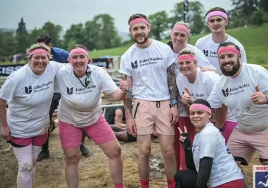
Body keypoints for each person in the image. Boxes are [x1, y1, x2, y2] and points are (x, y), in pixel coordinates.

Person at [55, 44, 126, 188]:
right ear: (69, 61)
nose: (79, 60)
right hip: (69, 120)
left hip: (94, 118)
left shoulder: (98, 73)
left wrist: (125, 89)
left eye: (82, 57)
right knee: (72, 158)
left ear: (89, 60)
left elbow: (116, 95)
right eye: (75, 57)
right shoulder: (61, 74)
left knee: (115, 151)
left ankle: (120, 186)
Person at [120, 13, 179, 188]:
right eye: (135, 29)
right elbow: (127, 89)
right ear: (130, 31)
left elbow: (172, 79)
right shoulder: (127, 56)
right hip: (141, 104)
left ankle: (172, 185)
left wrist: (174, 105)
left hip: (165, 104)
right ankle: (144, 185)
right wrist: (129, 116)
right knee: (144, 151)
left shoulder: (163, 49)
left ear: (148, 28)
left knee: (168, 152)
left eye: (142, 28)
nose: (139, 32)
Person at [207, 42, 268, 166]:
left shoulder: (256, 72)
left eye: (230, 56)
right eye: (222, 57)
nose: (226, 60)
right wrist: (191, 101)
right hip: (243, 129)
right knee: (227, 167)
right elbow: (207, 105)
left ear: (239, 56)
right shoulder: (220, 84)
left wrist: (266, 98)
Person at [0, 43, 63, 188]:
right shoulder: (17, 78)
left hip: (40, 127)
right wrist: (4, 125)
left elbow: (74, 66)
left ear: (49, 58)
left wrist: (97, 71)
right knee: (25, 165)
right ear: (29, 58)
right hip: (19, 128)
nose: (40, 61)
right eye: (36, 58)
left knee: (31, 163)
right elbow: (1, 100)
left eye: (44, 57)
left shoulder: (53, 67)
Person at [175, 49, 237, 170]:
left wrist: (217, 130)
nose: (184, 66)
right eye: (181, 63)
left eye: (188, 62)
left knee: (220, 157)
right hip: (207, 119)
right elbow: (191, 107)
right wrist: (198, 128)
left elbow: (222, 107)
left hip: (226, 118)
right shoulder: (180, 79)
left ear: (196, 63)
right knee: (201, 154)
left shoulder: (209, 78)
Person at [36, 34, 90, 161]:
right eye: (38, 46)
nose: (41, 49)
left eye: (43, 46)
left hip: (65, 89)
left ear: (50, 45)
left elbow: (77, 65)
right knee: (44, 120)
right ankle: (44, 150)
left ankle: (80, 144)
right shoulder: (37, 57)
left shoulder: (62, 54)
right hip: (48, 91)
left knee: (76, 115)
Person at [175, 99, 244, 188]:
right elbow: (192, 167)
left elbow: (205, 167)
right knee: (182, 177)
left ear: (209, 114)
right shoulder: (201, 133)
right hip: (218, 182)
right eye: (192, 113)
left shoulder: (208, 133)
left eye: (200, 113)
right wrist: (187, 147)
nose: (195, 116)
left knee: (185, 179)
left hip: (228, 183)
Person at [195, 7, 247, 75]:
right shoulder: (200, 44)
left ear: (226, 21)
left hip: (229, 83)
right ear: (208, 24)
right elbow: (196, 67)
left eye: (219, 20)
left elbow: (243, 70)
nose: (215, 23)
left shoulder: (236, 45)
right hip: (208, 84)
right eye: (212, 21)